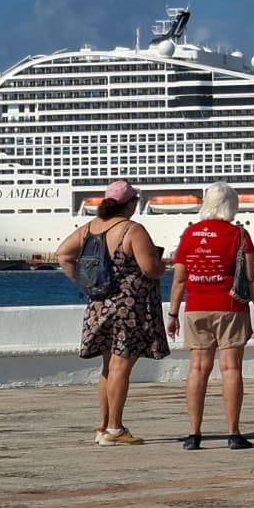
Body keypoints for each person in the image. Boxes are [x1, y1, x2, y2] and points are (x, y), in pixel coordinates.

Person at [55, 179, 168, 446]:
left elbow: (62, 255)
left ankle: (102, 426)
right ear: (129, 204)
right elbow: (150, 268)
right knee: (121, 367)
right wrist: (162, 267)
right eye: (135, 202)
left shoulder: (90, 228)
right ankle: (115, 428)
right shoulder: (132, 230)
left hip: (99, 304)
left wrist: (84, 283)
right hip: (129, 306)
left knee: (108, 368)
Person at [167, 182, 254, 451]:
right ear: (230, 205)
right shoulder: (239, 235)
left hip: (196, 305)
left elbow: (178, 279)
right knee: (231, 368)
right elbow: (250, 278)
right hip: (230, 306)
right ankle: (233, 434)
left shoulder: (189, 233)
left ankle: (193, 434)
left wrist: (173, 313)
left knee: (197, 368)